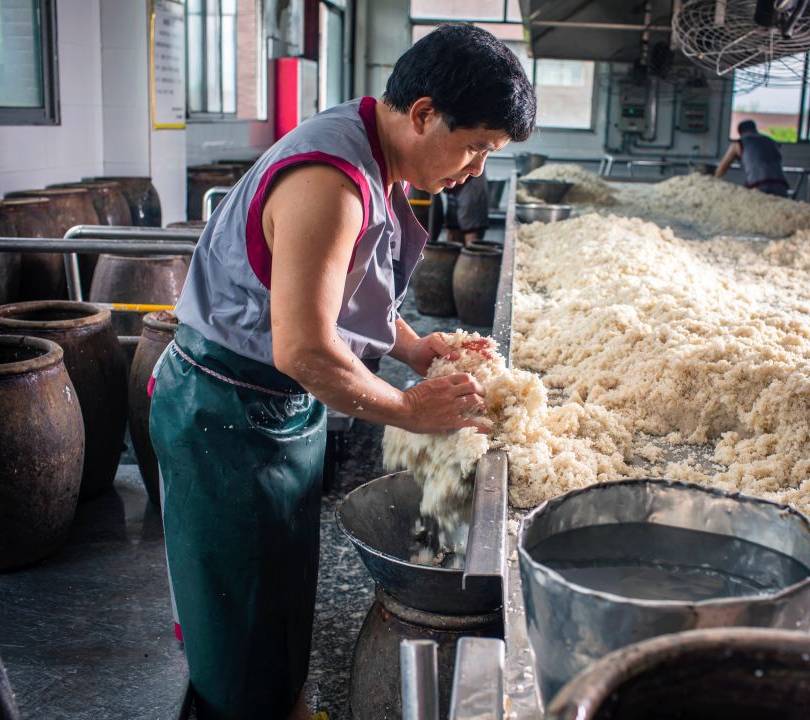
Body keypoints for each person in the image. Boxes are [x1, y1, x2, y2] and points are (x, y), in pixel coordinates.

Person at [147, 23, 535, 720]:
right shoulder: (331, 183)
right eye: (475, 145)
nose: (476, 168)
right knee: (236, 617)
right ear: (423, 114)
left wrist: (413, 349)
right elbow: (302, 348)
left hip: (272, 412)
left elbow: (346, 294)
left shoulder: (371, 149)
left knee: (280, 595)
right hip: (226, 414)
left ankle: (284, 701)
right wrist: (410, 408)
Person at [715, 119, 790, 197]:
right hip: (781, 185)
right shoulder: (771, 141)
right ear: (755, 129)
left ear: (740, 133)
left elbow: (722, 169)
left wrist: (713, 184)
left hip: (758, 185)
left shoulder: (738, 143)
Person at [444, 171, 491, 244]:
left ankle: (470, 254)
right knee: (453, 227)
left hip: (470, 185)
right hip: (454, 186)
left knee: (470, 229)